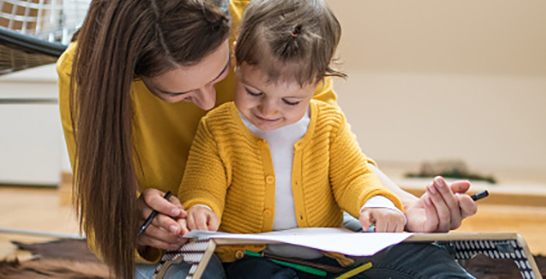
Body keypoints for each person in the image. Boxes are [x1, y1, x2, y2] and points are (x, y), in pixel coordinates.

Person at [57, 0, 477, 278]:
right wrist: (138, 223)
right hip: (212, 248)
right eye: (177, 94)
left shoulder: (268, 21)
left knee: (423, 262)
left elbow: (340, 159)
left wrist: (402, 206)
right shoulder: (85, 76)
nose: (207, 105)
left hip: (311, 232)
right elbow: (103, 219)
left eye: (223, 74)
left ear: (237, 44)